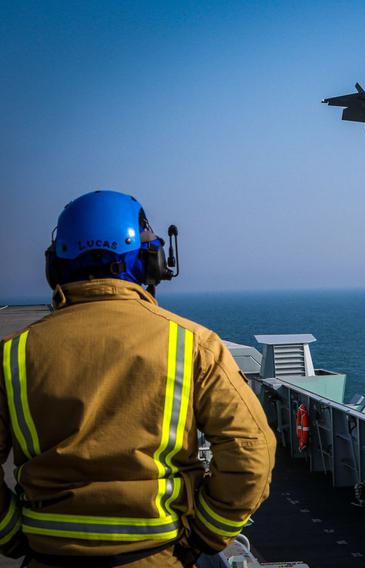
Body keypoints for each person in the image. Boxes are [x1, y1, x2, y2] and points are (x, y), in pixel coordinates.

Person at [0, 190, 276, 567]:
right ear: (151, 262)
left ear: (55, 266)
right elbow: (251, 452)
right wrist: (207, 533)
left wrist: (11, 534)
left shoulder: (12, 354)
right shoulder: (194, 345)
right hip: (161, 555)